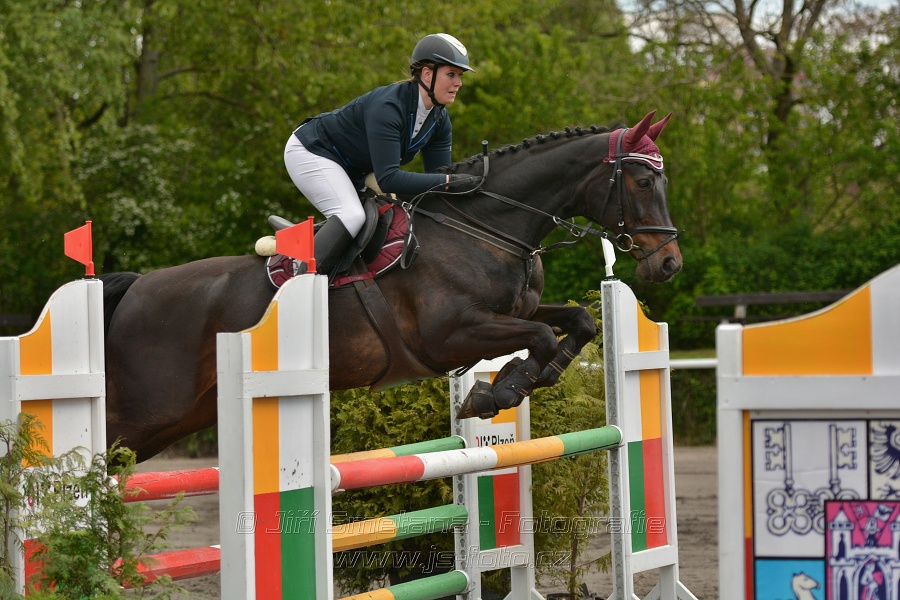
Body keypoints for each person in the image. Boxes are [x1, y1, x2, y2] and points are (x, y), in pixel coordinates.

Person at [284, 33, 482, 276]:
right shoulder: (389, 107)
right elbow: (389, 178)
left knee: (386, 220)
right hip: (313, 151)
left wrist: (465, 186)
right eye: (451, 74)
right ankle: (300, 280)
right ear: (428, 75)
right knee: (352, 215)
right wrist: (451, 182)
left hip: (353, 168)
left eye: (459, 76)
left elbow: (438, 180)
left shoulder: (439, 120)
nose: (458, 83)